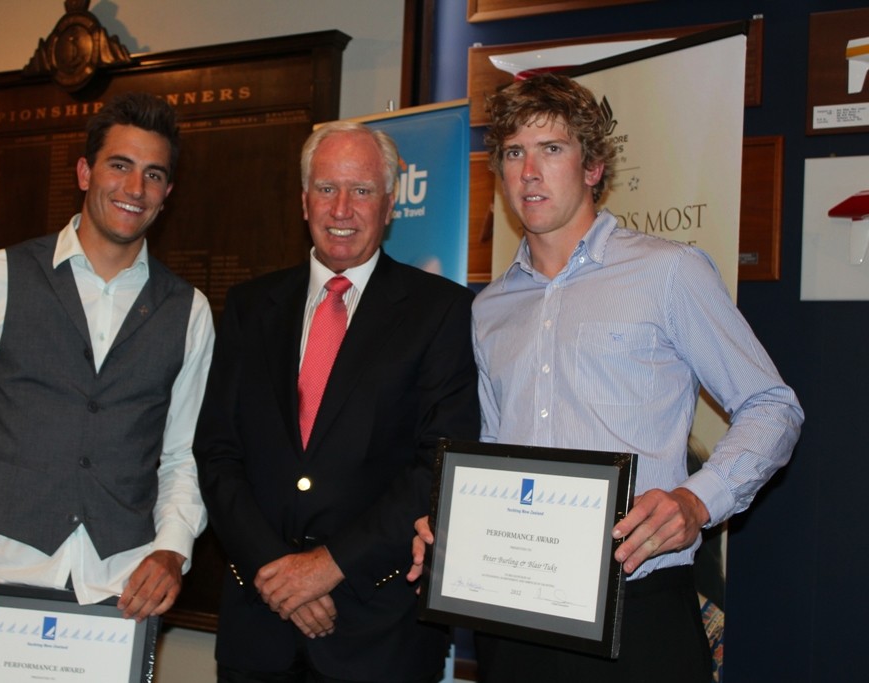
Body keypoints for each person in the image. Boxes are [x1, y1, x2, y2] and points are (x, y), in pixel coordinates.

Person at [408, 72, 804, 682]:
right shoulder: (489, 308)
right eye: (514, 152)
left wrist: (698, 501)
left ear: (593, 168)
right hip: (513, 610)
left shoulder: (668, 273)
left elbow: (771, 405)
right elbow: (490, 447)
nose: (530, 171)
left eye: (552, 149)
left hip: (636, 604)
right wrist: (452, 518)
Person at [0, 92, 213, 625]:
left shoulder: (190, 310)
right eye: (120, 166)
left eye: (153, 175)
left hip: (126, 587)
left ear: (167, 192)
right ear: (85, 172)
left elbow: (185, 454)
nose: (135, 188)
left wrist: (172, 549)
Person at [194, 120, 480, 683]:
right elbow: (218, 455)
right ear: (304, 201)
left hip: (379, 636)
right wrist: (278, 573)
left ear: (391, 205)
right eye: (327, 189)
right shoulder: (251, 307)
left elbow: (439, 464)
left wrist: (328, 567)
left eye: (362, 190)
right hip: (259, 629)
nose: (342, 208)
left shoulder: (440, 311)